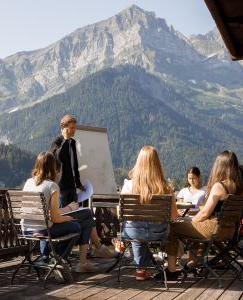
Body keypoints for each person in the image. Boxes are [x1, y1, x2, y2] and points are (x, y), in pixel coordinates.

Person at [161, 150, 243, 280]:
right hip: (228, 230)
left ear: (220, 166)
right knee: (193, 229)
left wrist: (191, 221)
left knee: (172, 227)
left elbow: (205, 213)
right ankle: (191, 264)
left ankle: (171, 271)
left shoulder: (219, 186)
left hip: (212, 228)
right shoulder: (240, 187)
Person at [50, 115, 115, 259]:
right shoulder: (56, 142)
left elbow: (74, 165)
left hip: (72, 187)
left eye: (75, 128)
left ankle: (77, 251)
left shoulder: (73, 143)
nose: (74, 131)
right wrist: (65, 140)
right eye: (72, 128)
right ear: (64, 128)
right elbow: (58, 159)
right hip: (61, 188)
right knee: (62, 217)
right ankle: (61, 252)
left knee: (76, 217)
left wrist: (79, 183)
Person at [22, 151, 100, 272]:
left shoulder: (28, 182)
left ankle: (55, 258)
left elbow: (47, 213)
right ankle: (58, 260)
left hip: (26, 230)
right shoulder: (52, 186)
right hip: (44, 229)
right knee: (76, 226)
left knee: (88, 223)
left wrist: (67, 212)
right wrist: (69, 218)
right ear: (53, 167)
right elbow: (55, 218)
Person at [120, 146, 178, 281]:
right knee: (141, 229)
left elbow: (121, 213)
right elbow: (173, 217)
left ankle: (141, 268)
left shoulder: (129, 186)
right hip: (158, 233)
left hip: (134, 233)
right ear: (157, 164)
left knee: (136, 229)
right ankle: (144, 267)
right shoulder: (166, 188)